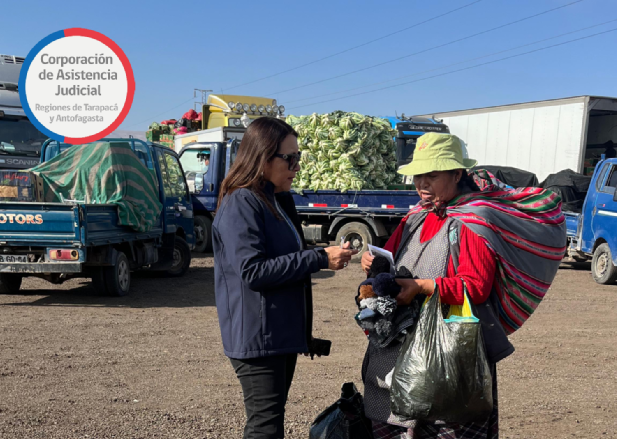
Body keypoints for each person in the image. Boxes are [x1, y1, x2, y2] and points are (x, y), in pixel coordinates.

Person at [360, 133, 565, 438]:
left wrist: (422, 286)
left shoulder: (471, 220)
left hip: (447, 352)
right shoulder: (417, 216)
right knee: (392, 422)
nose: (422, 183)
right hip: (397, 350)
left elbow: (476, 287)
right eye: (418, 175)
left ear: (457, 174)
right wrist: (373, 263)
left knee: (442, 422)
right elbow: (393, 260)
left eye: (432, 175)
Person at [213, 117, 356, 439]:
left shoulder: (273, 199)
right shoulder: (242, 202)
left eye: (298, 157)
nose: (295, 166)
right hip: (258, 338)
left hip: (276, 337)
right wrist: (319, 258)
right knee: (265, 427)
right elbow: (252, 271)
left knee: (270, 422)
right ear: (262, 158)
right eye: (289, 159)